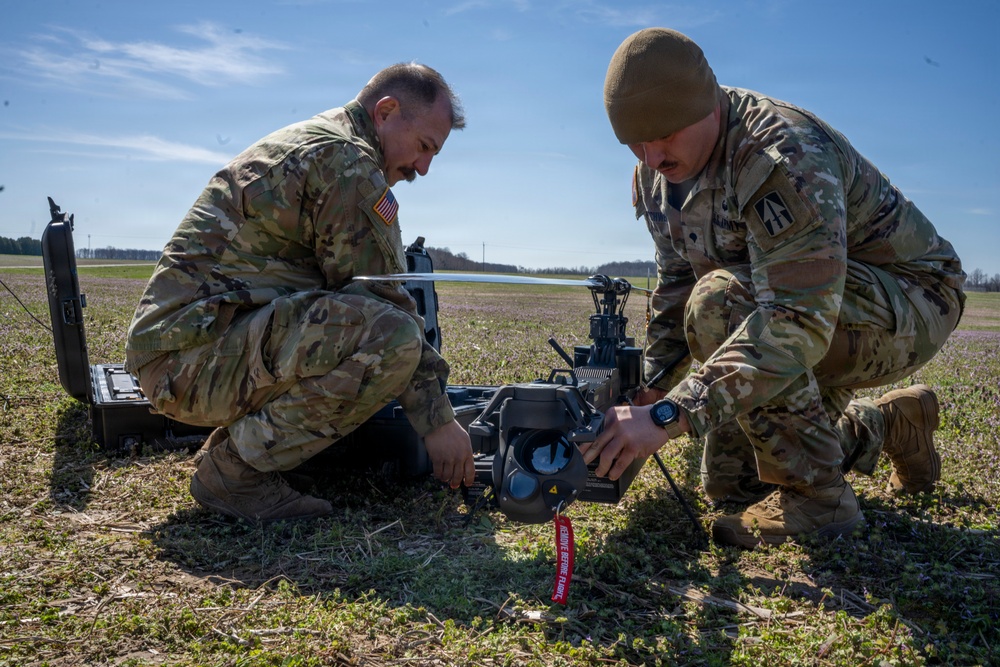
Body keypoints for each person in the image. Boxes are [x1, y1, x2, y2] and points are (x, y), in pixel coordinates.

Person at [581, 28, 965, 548]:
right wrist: (650, 390)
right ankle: (891, 424)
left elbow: (796, 319)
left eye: (664, 134)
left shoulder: (781, 153)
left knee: (718, 303)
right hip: (799, 306)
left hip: (911, 301)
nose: (651, 156)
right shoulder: (658, 176)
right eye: (634, 142)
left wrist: (671, 415)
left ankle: (820, 500)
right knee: (733, 485)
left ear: (705, 106)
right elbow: (676, 283)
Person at [124, 63, 475, 522]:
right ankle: (235, 472)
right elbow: (384, 301)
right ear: (386, 112)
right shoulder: (347, 163)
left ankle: (241, 451)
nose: (423, 168)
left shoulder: (325, 140)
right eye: (425, 146)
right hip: (188, 363)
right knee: (391, 336)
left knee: (356, 324)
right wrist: (439, 422)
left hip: (185, 353)